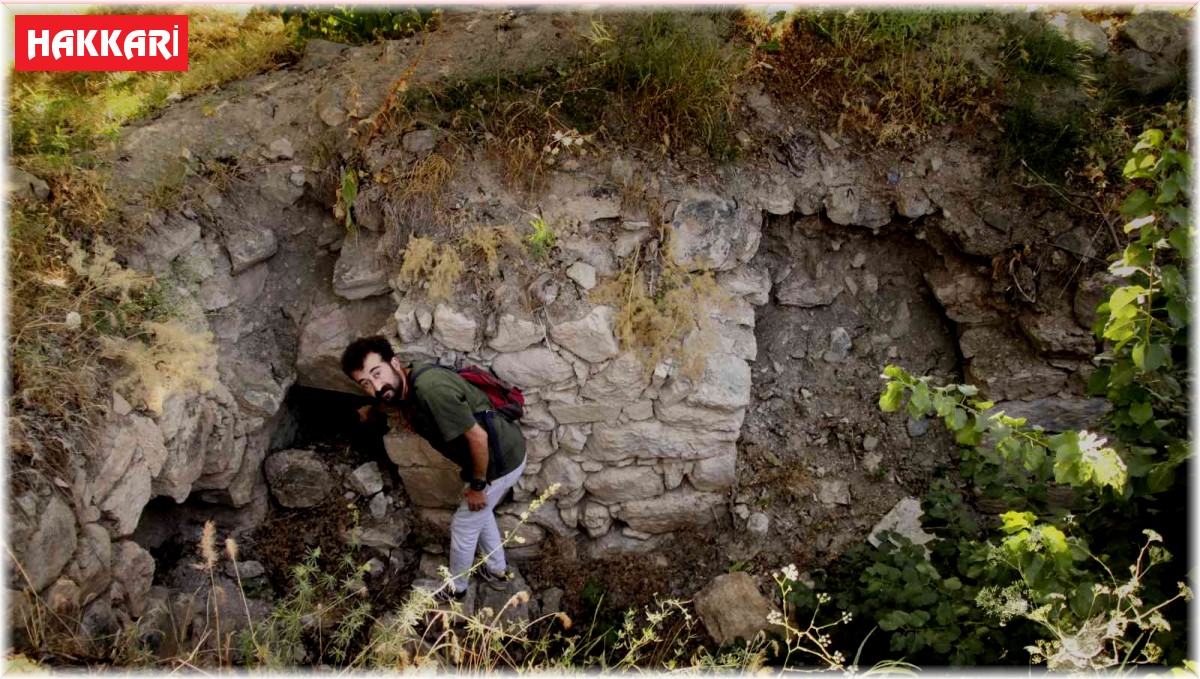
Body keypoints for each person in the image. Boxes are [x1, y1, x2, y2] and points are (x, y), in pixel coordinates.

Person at [340, 335, 527, 603]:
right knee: (478, 513)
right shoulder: (402, 385)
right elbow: (389, 396)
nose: (376, 386)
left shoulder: (430, 390)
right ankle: (497, 573)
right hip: (494, 455)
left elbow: (477, 437)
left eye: (377, 373)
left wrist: (477, 485)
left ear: (394, 363)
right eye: (365, 383)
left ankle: (456, 591)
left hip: (499, 460)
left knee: (463, 524)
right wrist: (373, 409)